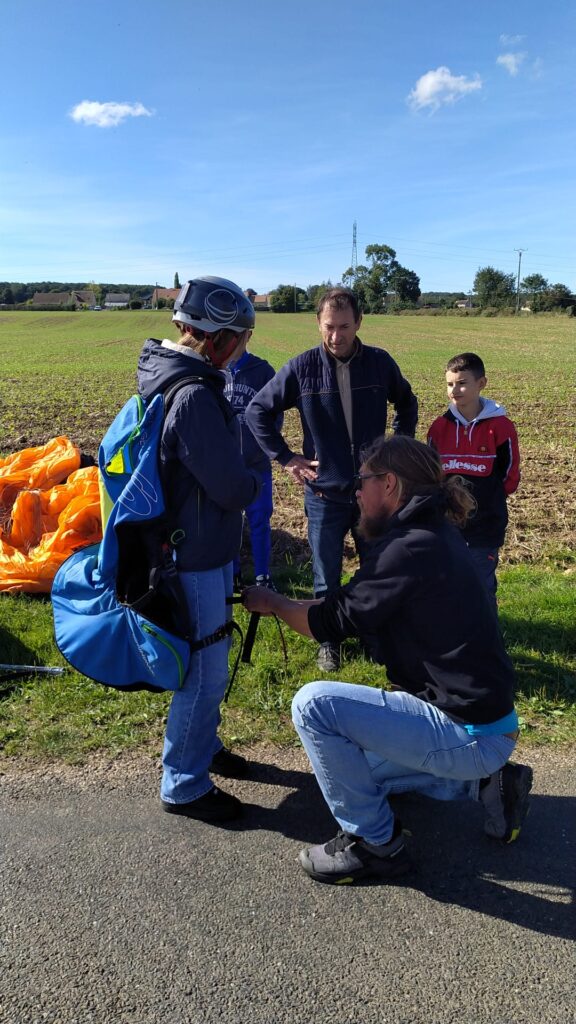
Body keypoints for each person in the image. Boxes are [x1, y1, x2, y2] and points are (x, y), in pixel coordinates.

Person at [242, 436, 532, 885]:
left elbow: (329, 622)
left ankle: (376, 845)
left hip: (470, 731)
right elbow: (345, 605)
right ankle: (490, 785)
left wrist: (274, 603)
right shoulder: (430, 535)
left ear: (390, 484)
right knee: (356, 774)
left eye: (363, 481)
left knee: (313, 706)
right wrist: (283, 603)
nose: (357, 492)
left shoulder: (409, 548)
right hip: (486, 723)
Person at [137, 276, 261, 824]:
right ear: (218, 338)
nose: (243, 349)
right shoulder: (193, 396)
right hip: (196, 556)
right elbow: (231, 487)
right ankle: (184, 783)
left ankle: (202, 747)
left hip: (193, 548)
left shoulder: (174, 378)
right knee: (205, 673)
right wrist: (255, 479)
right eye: (242, 339)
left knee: (209, 662)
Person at [245, 286, 418, 671]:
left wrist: (397, 446)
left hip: (372, 494)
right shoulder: (302, 368)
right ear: (318, 324)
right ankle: (329, 639)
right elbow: (257, 411)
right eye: (329, 327)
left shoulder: (379, 363)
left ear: (359, 323)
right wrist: (286, 457)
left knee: (376, 569)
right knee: (326, 575)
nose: (336, 336)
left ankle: (374, 634)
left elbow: (407, 402)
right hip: (324, 495)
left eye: (344, 327)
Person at [427, 352, 520, 612]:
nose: (454, 390)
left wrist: (491, 497)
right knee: (446, 582)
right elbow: (431, 474)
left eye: (462, 383)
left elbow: (510, 474)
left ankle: (486, 632)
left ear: (481, 383)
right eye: (449, 384)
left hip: (485, 524)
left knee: (480, 583)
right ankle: (452, 629)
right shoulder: (439, 428)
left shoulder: (501, 427)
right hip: (446, 525)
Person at [224, 332, 278, 590]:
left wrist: (264, 448)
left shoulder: (263, 371)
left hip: (257, 465)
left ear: (248, 336)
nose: (234, 342)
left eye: (239, 336)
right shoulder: (214, 370)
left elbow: (275, 415)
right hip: (226, 468)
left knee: (260, 520)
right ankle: (233, 575)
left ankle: (262, 576)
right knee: (230, 522)